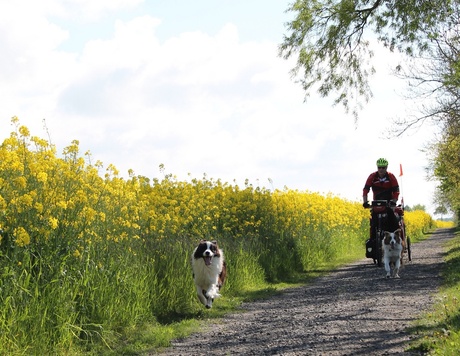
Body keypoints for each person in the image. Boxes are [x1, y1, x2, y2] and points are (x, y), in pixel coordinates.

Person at [362, 158, 400, 240]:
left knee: (392, 220)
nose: (381, 169)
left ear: (386, 168)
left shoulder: (391, 176)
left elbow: (396, 191)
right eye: (379, 167)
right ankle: (373, 242)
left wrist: (394, 201)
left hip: (388, 203)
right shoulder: (372, 176)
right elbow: (365, 189)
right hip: (376, 204)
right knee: (373, 223)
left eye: (383, 168)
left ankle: (396, 239)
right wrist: (365, 202)